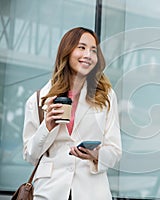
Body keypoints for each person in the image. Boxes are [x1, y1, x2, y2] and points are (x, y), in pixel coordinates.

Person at [22, 27, 122, 200]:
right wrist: (46, 127)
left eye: (93, 50)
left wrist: (96, 155)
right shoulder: (38, 99)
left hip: (92, 192)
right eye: (81, 47)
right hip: (49, 192)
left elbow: (115, 151)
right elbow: (30, 155)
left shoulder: (106, 97)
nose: (88, 55)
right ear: (67, 52)